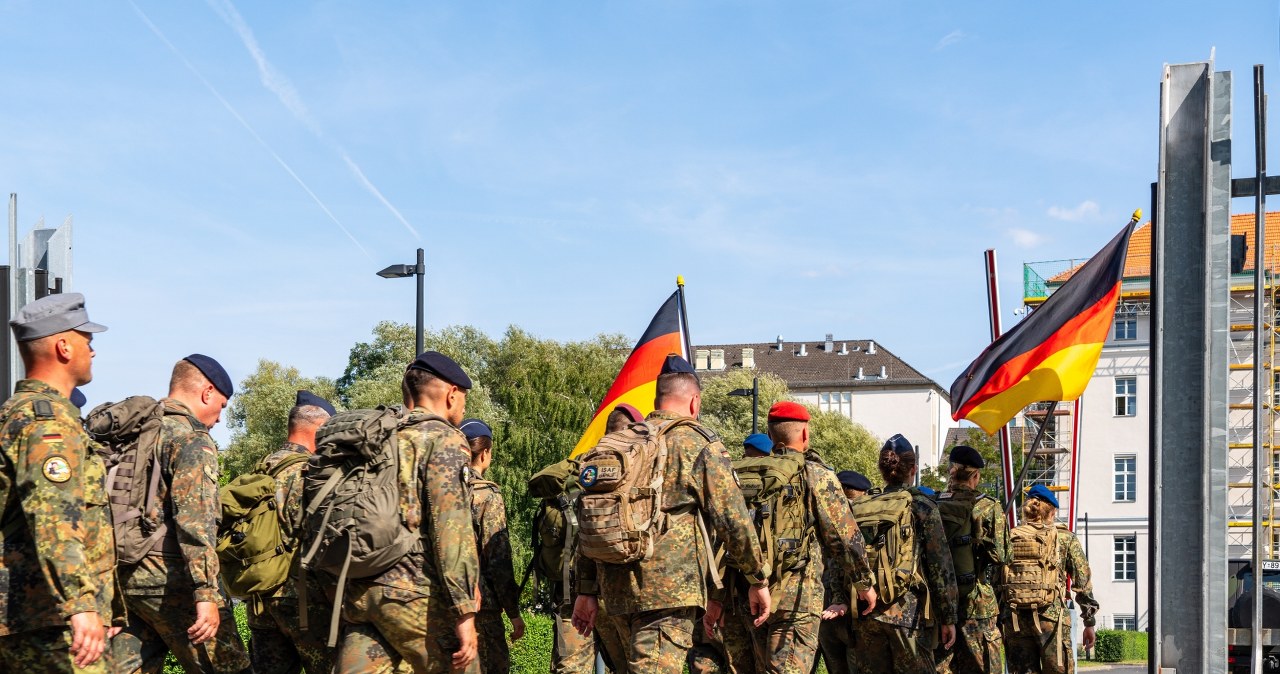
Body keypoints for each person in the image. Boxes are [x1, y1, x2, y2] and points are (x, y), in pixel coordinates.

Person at [572, 354, 772, 674]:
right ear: (694, 402)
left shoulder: (620, 443)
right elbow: (733, 519)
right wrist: (757, 578)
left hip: (615, 588)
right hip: (668, 592)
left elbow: (592, 517)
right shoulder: (697, 442)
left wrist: (586, 589)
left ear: (657, 399)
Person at [334, 351, 481, 674]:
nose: (464, 407)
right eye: (464, 398)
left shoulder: (375, 437)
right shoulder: (443, 439)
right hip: (413, 593)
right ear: (452, 394)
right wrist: (465, 611)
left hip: (360, 591)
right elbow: (451, 531)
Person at [0, 293, 122, 672]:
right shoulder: (48, 423)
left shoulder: (14, 414)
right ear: (64, 346)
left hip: (31, 614)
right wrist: (82, 605)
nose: (93, 351)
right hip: (49, 619)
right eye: (88, 340)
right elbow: (55, 519)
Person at [714, 401, 877, 674]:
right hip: (797, 599)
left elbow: (722, 534)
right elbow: (845, 537)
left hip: (750, 592)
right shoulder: (815, 474)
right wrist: (863, 583)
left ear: (771, 435)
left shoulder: (744, 474)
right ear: (804, 434)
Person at [113, 354, 253, 674]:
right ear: (206, 393)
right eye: (222, 406)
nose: (219, 419)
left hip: (122, 575)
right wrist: (205, 594)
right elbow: (196, 521)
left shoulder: (135, 430)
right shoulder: (191, 437)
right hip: (170, 578)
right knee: (229, 668)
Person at [849, 434, 958, 674]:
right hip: (908, 615)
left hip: (865, 612)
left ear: (882, 469)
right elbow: (941, 567)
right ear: (913, 469)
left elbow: (844, 558)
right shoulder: (921, 506)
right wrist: (948, 617)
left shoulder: (859, 507)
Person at [246, 390, 338, 674]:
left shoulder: (261, 470)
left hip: (259, 601)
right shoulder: (312, 473)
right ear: (320, 429)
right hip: (304, 604)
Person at [1002, 485, 1098, 674]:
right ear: (1052, 512)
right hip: (1051, 619)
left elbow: (999, 577)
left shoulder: (1011, 537)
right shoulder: (1065, 538)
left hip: (1015, 620)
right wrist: (1089, 623)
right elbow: (1082, 583)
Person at [934, 446, 1010, 674]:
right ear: (976, 476)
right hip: (977, 605)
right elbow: (1003, 555)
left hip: (938, 605)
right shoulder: (988, 506)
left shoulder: (933, 503)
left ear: (951, 471)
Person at [460, 418, 526, 674]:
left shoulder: (439, 490)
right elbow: (498, 559)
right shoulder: (487, 495)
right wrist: (513, 612)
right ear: (485, 453)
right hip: (482, 611)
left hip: (441, 606)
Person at [595, 403, 645, 674]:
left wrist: (585, 591)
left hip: (600, 589)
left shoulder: (589, 468)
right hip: (638, 588)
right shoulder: (640, 469)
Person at [815, 470, 874, 674]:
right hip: (853, 608)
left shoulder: (820, 516)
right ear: (863, 492)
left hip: (823, 607)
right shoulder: (860, 520)